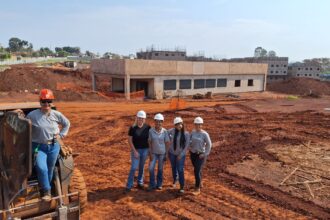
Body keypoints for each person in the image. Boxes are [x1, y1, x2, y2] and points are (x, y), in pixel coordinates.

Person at [26, 89, 70, 201]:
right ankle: (46, 191)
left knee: (50, 169)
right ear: (40, 102)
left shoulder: (56, 114)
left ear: (52, 102)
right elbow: (23, 126)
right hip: (38, 146)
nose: (46, 104)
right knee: (42, 168)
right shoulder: (32, 115)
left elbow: (66, 123)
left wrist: (62, 134)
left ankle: (46, 190)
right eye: (43, 101)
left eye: (48, 101)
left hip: (54, 146)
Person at [125, 110, 151, 192]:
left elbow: (150, 140)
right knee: (133, 167)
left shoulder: (148, 127)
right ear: (137, 118)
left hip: (145, 150)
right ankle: (129, 185)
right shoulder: (133, 128)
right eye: (139, 118)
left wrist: (149, 151)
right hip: (136, 150)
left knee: (141, 167)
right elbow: (130, 140)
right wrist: (134, 151)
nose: (141, 120)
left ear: (145, 119)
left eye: (142, 118)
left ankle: (140, 182)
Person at [189, 117, 212, 195]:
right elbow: (189, 140)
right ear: (194, 125)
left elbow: (209, 145)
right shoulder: (192, 132)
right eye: (196, 124)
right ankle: (200, 183)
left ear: (201, 125)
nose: (198, 126)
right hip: (193, 154)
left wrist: (204, 154)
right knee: (197, 169)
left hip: (200, 155)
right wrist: (189, 147)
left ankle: (197, 188)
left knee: (196, 170)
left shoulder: (205, 134)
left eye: (199, 125)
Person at [148, 113, 170, 191]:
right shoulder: (151, 131)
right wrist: (150, 153)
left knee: (160, 169)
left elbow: (167, 143)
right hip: (153, 153)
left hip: (162, 153)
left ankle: (159, 184)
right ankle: (152, 184)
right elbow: (149, 142)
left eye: (160, 121)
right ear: (154, 122)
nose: (158, 123)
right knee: (151, 168)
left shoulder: (165, 131)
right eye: (157, 121)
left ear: (162, 122)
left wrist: (166, 154)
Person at [168, 117, 190, 194]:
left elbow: (187, 146)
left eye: (180, 124)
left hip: (181, 155)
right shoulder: (172, 131)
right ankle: (175, 180)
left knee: (180, 169)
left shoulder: (186, 134)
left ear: (182, 123)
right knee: (173, 167)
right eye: (177, 124)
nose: (179, 126)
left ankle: (182, 186)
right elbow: (165, 133)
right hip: (172, 153)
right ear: (175, 125)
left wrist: (181, 155)